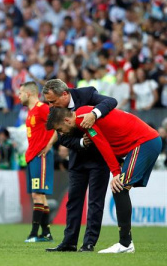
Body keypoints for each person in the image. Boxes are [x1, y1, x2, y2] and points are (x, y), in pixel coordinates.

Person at [46, 106, 161, 253]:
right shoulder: (83, 113)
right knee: (120, 188)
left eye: (60, 129)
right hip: (144, 142)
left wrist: (115, 172)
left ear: (67, 120)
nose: (61, 134)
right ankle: (125, 243)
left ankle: (125, 244)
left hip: (144, 142)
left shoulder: (84, 120)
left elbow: (102, 145)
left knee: (119, 187)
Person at [43, 79, 117, 252]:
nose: (50, 105)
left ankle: (89, 243)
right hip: (77, 160)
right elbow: (62, 137)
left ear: (64, 94)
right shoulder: (56, 109)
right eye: (48, 102)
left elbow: (111, 102)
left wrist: (94, 114)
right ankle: (69, 243)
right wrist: (81, 143)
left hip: (99, 158)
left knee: (95, 202)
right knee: (74, 202)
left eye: (52, 101)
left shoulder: (87, 94)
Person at [18, 81, 56, 242]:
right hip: (32, 155)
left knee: (37, 194)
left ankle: (34, 233)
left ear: (29, 93)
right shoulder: (30, 111)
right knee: (40, 195)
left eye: (20, 93)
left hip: (41, 156)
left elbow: (57, 125)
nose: (18, 96)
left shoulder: (42, 108)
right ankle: (46, 233)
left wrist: (48, 146)